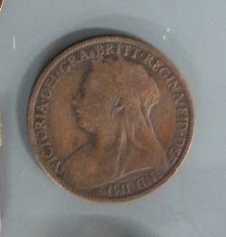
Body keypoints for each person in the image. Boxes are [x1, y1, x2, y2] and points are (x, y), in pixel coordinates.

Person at [64, 58, 169, 189]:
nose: (75, 101)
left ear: (118, 104)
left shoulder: (149, 164)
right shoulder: (76, 162)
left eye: (85, 93)